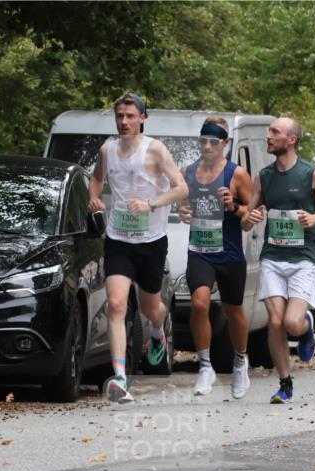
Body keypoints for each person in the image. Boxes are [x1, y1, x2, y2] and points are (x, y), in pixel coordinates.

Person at [89, 92, 189, 403]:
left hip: (151, 241)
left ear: (142, 118)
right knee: (116, 305)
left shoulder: (155, 149)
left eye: (130, 116)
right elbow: (96, 178)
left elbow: (181, 188)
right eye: (120, 116)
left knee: (150, 308)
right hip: (118, 239)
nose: (124, 121)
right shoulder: (107, 150)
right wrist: (94, 199)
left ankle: (158, 334)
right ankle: (120, 377)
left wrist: (151, 204)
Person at [243, 117, 315, 404]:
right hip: (272, 258)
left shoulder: (311, 174)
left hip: (304, 259)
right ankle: (285, 383)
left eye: (274, 132)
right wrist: (251, 218)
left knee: (291, 322)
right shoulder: (263, 177)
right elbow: (245, 222)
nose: (268, 135)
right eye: (269, 131)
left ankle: (306, 327)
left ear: (291, 140)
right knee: (275, 323)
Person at [177, 116, 253, 398]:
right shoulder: (187, 172)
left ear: (225, 143)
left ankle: (240, 362)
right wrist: (183, 211)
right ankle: (205, 367)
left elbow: (252, 215)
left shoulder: (237, 175)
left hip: (229, 253)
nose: (207, 146)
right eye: (203, 141)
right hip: (199, 250)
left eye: (213, 142)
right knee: (199, 303)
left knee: (234, 311)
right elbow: (183, 206)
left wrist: (233, 206)